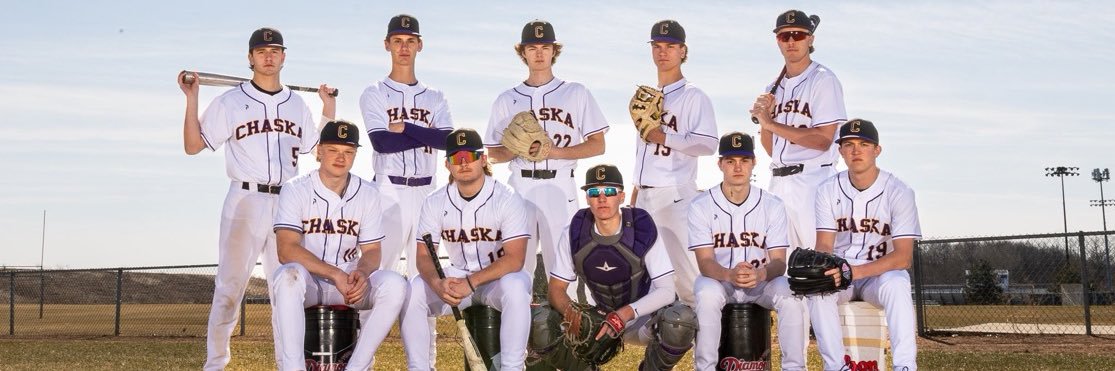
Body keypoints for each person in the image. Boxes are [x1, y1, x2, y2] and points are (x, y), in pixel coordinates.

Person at [177, 27, 336, 371]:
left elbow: (320, 151)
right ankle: (215, 364)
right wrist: (192, 99)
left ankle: (289, 365)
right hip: (244, 200)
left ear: (284, 56)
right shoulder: (230, 101)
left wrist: (329, 109)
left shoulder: (296, 104)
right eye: (262, 51)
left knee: (288, 290)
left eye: (275, 50)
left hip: (288, 203)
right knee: (230, 288)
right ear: (250, 57)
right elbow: (192, 145)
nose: (268, 56)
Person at [483, 20, 609, 291]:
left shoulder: (575, 92)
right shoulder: (506, 99)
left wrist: (556, 152)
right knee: (515, 267)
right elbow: (492, 154)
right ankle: (520, 318)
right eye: (532, 48)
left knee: (563, 267)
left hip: (560, 184)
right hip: (520, 187)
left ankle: (565, 319)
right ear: (523, 53)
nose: (539, 53)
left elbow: (598, 145)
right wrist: (515, 149)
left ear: (554, 51)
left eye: (545, 47)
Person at [270, 120, 407, 371]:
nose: (341, 157)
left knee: (395, 284)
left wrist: (362, 272)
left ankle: (357, 366)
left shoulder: (368, 192)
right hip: (309, 282)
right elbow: (286, 249)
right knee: (287, 276)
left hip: (348, 283)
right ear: (319, 151)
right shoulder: (295, 189)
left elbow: (372, 251)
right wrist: (335, 274)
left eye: (348, 152)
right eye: (333, 150)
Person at [532, 164, 696, 370]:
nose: (602, 198)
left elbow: (667, 291)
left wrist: (623, 315)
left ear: (621, 196)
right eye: (594, 192)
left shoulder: (641, 227)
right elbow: (555, 289)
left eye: (609, 191)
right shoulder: (575, 231)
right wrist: (571, 312)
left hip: (642, 319)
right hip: (598, 321)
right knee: (540, 320)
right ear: (587, 198)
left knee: (681, 319)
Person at [401, 128, 533, 370]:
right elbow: (423, 255)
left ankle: (512, 367)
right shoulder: (435, 201)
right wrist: (437, 283)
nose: (463, 163)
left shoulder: (506, 197)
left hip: (497, 280)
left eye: (470, 156)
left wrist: (471, 283)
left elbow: (515, 259)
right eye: (456, 157)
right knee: (414, 289)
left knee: (516, 286)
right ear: (447, 165)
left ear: (483, 159)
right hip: (457, 277)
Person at [809, 119, 921, 371]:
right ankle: (835, 366)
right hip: (842, 274)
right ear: (840, 151)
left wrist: (855, 272)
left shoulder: (899, 191)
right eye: (848, 144)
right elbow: (824, 244)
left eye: (864, 144)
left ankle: (905, 366)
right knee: (818, 290)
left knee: (898, 282)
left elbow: (903, 257)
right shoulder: (827, 190)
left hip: (878, 276)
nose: (856, 150)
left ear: (877, 150)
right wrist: (824, 270)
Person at [689, 132, 807, 371]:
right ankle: (704, 368)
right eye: (730, 161)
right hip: (720, 280)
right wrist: (728, 275)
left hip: (761, 283)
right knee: (706, 294)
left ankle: (794, 368)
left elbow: (779, 262)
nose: (737, 167)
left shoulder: (772, 205)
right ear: (720, 164)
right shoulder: (700, 205)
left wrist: (761, 274)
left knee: (790, 292)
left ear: (754, 162)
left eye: (744, 160)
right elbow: (705, 262)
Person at [632, 19, 718, 307]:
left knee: (689, 281)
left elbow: (708, 144)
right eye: (657, 46)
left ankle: (707, 337)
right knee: (649, 280)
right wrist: (634, 195)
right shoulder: (647, 97)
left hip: (676, 195)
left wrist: (662, 135)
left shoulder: (694, 96)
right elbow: (642, 156)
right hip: (644, 196)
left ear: (683, 51)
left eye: (670, 46)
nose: (662, 52)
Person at [359, 14, 453, 276]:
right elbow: (382, 142)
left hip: (427, 191)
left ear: (419, 45)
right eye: (397, 41)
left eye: (410, 41)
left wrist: (406, 127)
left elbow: (447, 141)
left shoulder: (435, 96)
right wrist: (427, 133)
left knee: (427, 275)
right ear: (386, 44)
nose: (403, 47)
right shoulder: (375, 92)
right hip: (389, 190)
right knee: (379, 273)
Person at [750, 9, 847, 255]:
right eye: (785, 36)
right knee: (779, 263)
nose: (791, 41)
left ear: (810, 39)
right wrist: (764, 121)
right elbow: (772, 149)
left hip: (813, 181)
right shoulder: (772, 88)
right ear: (778, 41)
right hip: (778, 182)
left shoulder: (823, 80)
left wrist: (772, 124)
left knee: (819, 261)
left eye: (798, 35)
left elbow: (823, 140)